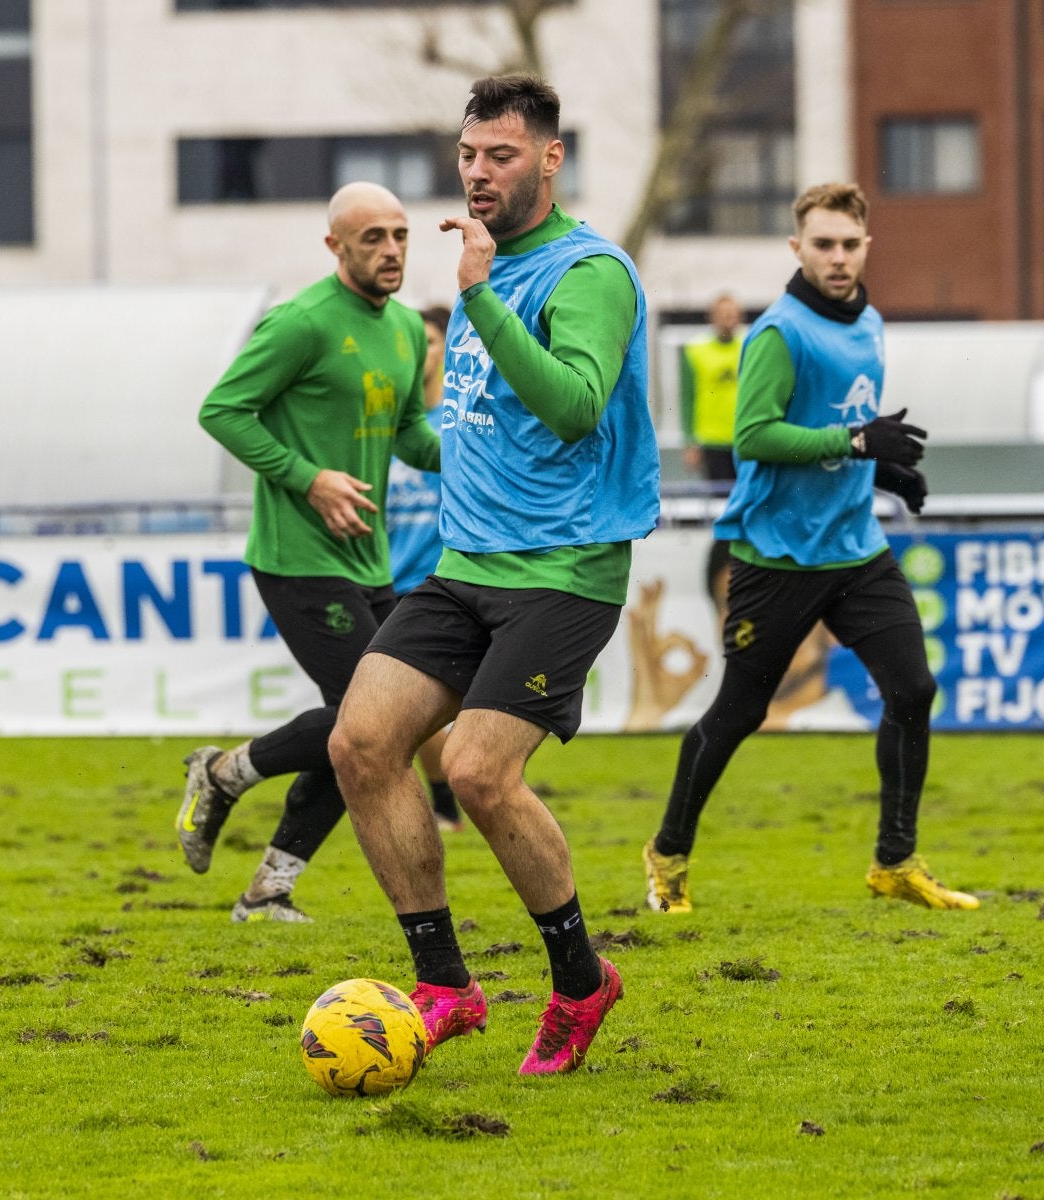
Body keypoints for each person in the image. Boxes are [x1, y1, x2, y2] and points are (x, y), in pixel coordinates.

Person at [328, 74, 656, 1076]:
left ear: (550, 161)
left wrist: (477, 295)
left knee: (475, 771)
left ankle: (577, 981)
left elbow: (572, 409)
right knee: (360, 745)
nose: (478, 173)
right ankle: (445, 985)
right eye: (468, 155)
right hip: (466, 565)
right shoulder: (483, 265)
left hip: (564, 573)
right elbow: (474, 428)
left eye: (500, 156)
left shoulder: (588, 273)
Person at [643, 182, 975, 915]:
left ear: (866, 248)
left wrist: (884, 471)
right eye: (822, 244)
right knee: (739, 713)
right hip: (777, 557)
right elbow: (754, 436)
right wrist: (859, 441)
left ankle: (895, 860)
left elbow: (838, 429)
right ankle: (668, 852)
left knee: (913, 690)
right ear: (797, 248)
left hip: (856, 549)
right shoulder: (779, 333)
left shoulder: (872, 324)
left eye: (849, 244)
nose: (837, 256)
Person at [176, 182, 438, 923]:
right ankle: (227, 776)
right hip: (298, 557)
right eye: (372, 239)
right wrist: (309, 478)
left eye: (399, 236)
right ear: (335, 247)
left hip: (372, 561)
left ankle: (265, 881)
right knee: (368, 721)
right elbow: (222, 410)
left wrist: (482, 454)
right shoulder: (300, 323)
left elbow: (412, 436)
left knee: (369, 730)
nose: (390, 251)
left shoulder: (410, 330)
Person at [384, 304, 465, 831]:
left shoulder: (459, 421)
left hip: (436, 585)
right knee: (398, 719)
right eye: (415, 342)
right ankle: (440, 806)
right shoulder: (390, 425)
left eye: (432, 341)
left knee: (419, 714)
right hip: (383, 582)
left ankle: (443, 806)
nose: (422, 353)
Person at [681, 293, 744, 484]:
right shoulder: (695, 351)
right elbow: (687, 398)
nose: (727, 319)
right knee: (716, 502)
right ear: (712, 317)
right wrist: (689, 442)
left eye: (731, 314)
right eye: (722, 314)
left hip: (743, 438)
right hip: (711, 440)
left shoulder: (749, 349)